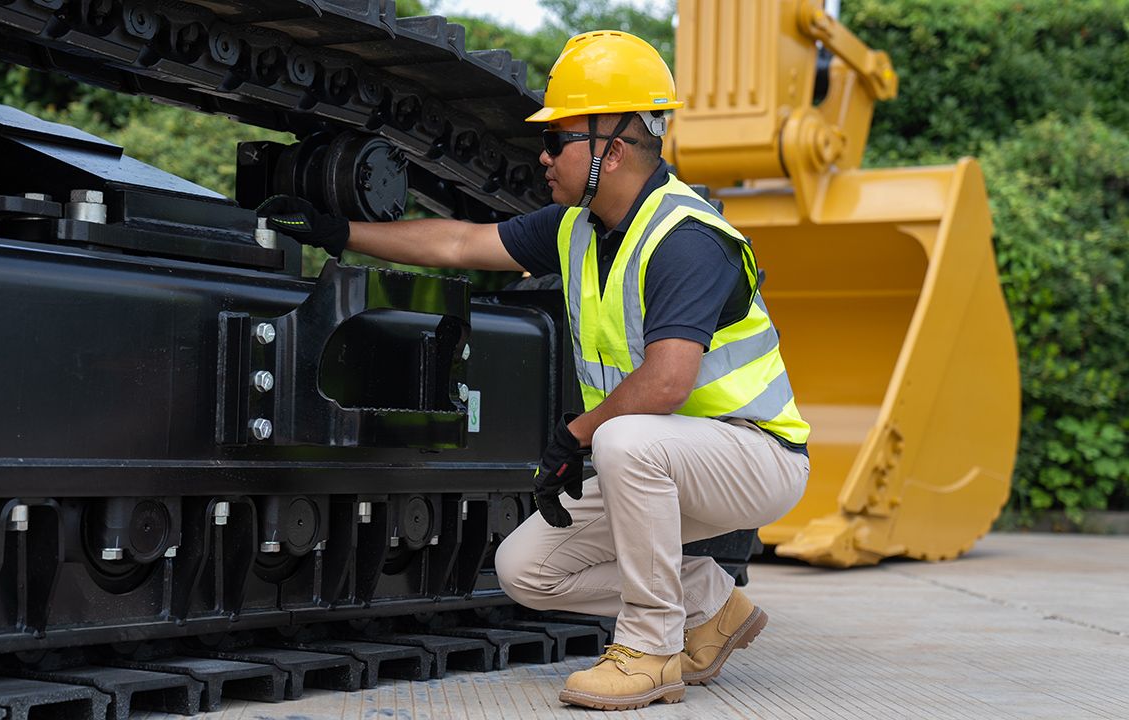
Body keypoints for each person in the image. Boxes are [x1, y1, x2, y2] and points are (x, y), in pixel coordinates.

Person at [261, 30, 810, 712]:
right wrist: (340, 233)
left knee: (622, 440)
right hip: (655, 454)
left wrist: (576, 434)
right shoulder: (575, 228)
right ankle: (712, 606)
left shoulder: (687, 240)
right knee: (528, 570)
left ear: (614, 144)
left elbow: (668, 382)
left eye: (560, 139)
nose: (543, 155)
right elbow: (462, 240)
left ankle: (650, 652)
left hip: (753, 455)